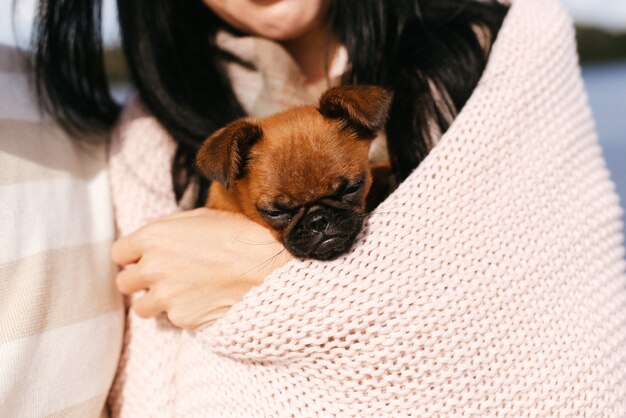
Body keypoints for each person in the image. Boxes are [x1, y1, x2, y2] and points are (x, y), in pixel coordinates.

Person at [28, 0, 626, 416]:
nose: (318, 221)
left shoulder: (497, 48)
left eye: (346, 193)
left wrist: (260, 263)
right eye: (283, 212)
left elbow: (561, 317)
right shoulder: (149, 138)